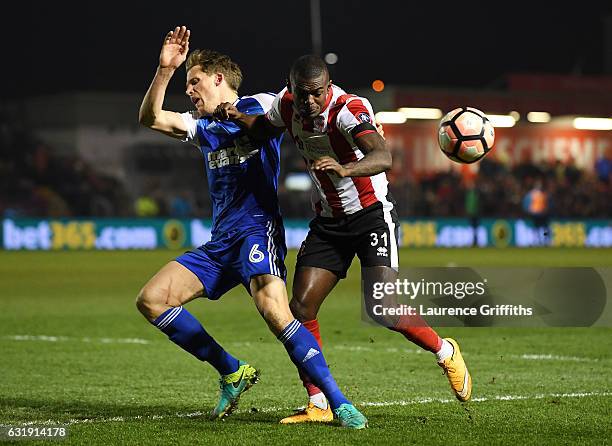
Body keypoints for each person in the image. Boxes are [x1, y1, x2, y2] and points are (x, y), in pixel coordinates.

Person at [214, 54, 473, 424]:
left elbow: (382, 156)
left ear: (328, 85)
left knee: (383, 308)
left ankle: (445, 350)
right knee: (300, 309)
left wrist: (345, 168)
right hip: (329, 223)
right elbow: (263, 130)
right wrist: (239, 117)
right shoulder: (287, 105)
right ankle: (317, 403)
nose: (308, 102)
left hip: (370, 216)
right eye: (302, 94)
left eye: (316, 93)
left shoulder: (349, 110)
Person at [136, 26, 367, 429]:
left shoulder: (260, 104)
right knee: (152, 299)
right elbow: (150, 117)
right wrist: (164, 70)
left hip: (257, 231)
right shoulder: (200, 128)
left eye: (194, 81)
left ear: (218, 78)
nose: (189, 91)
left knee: (277, 314)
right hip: (220, 241)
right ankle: (231, 371)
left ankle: (339, 402)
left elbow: (292, 111)